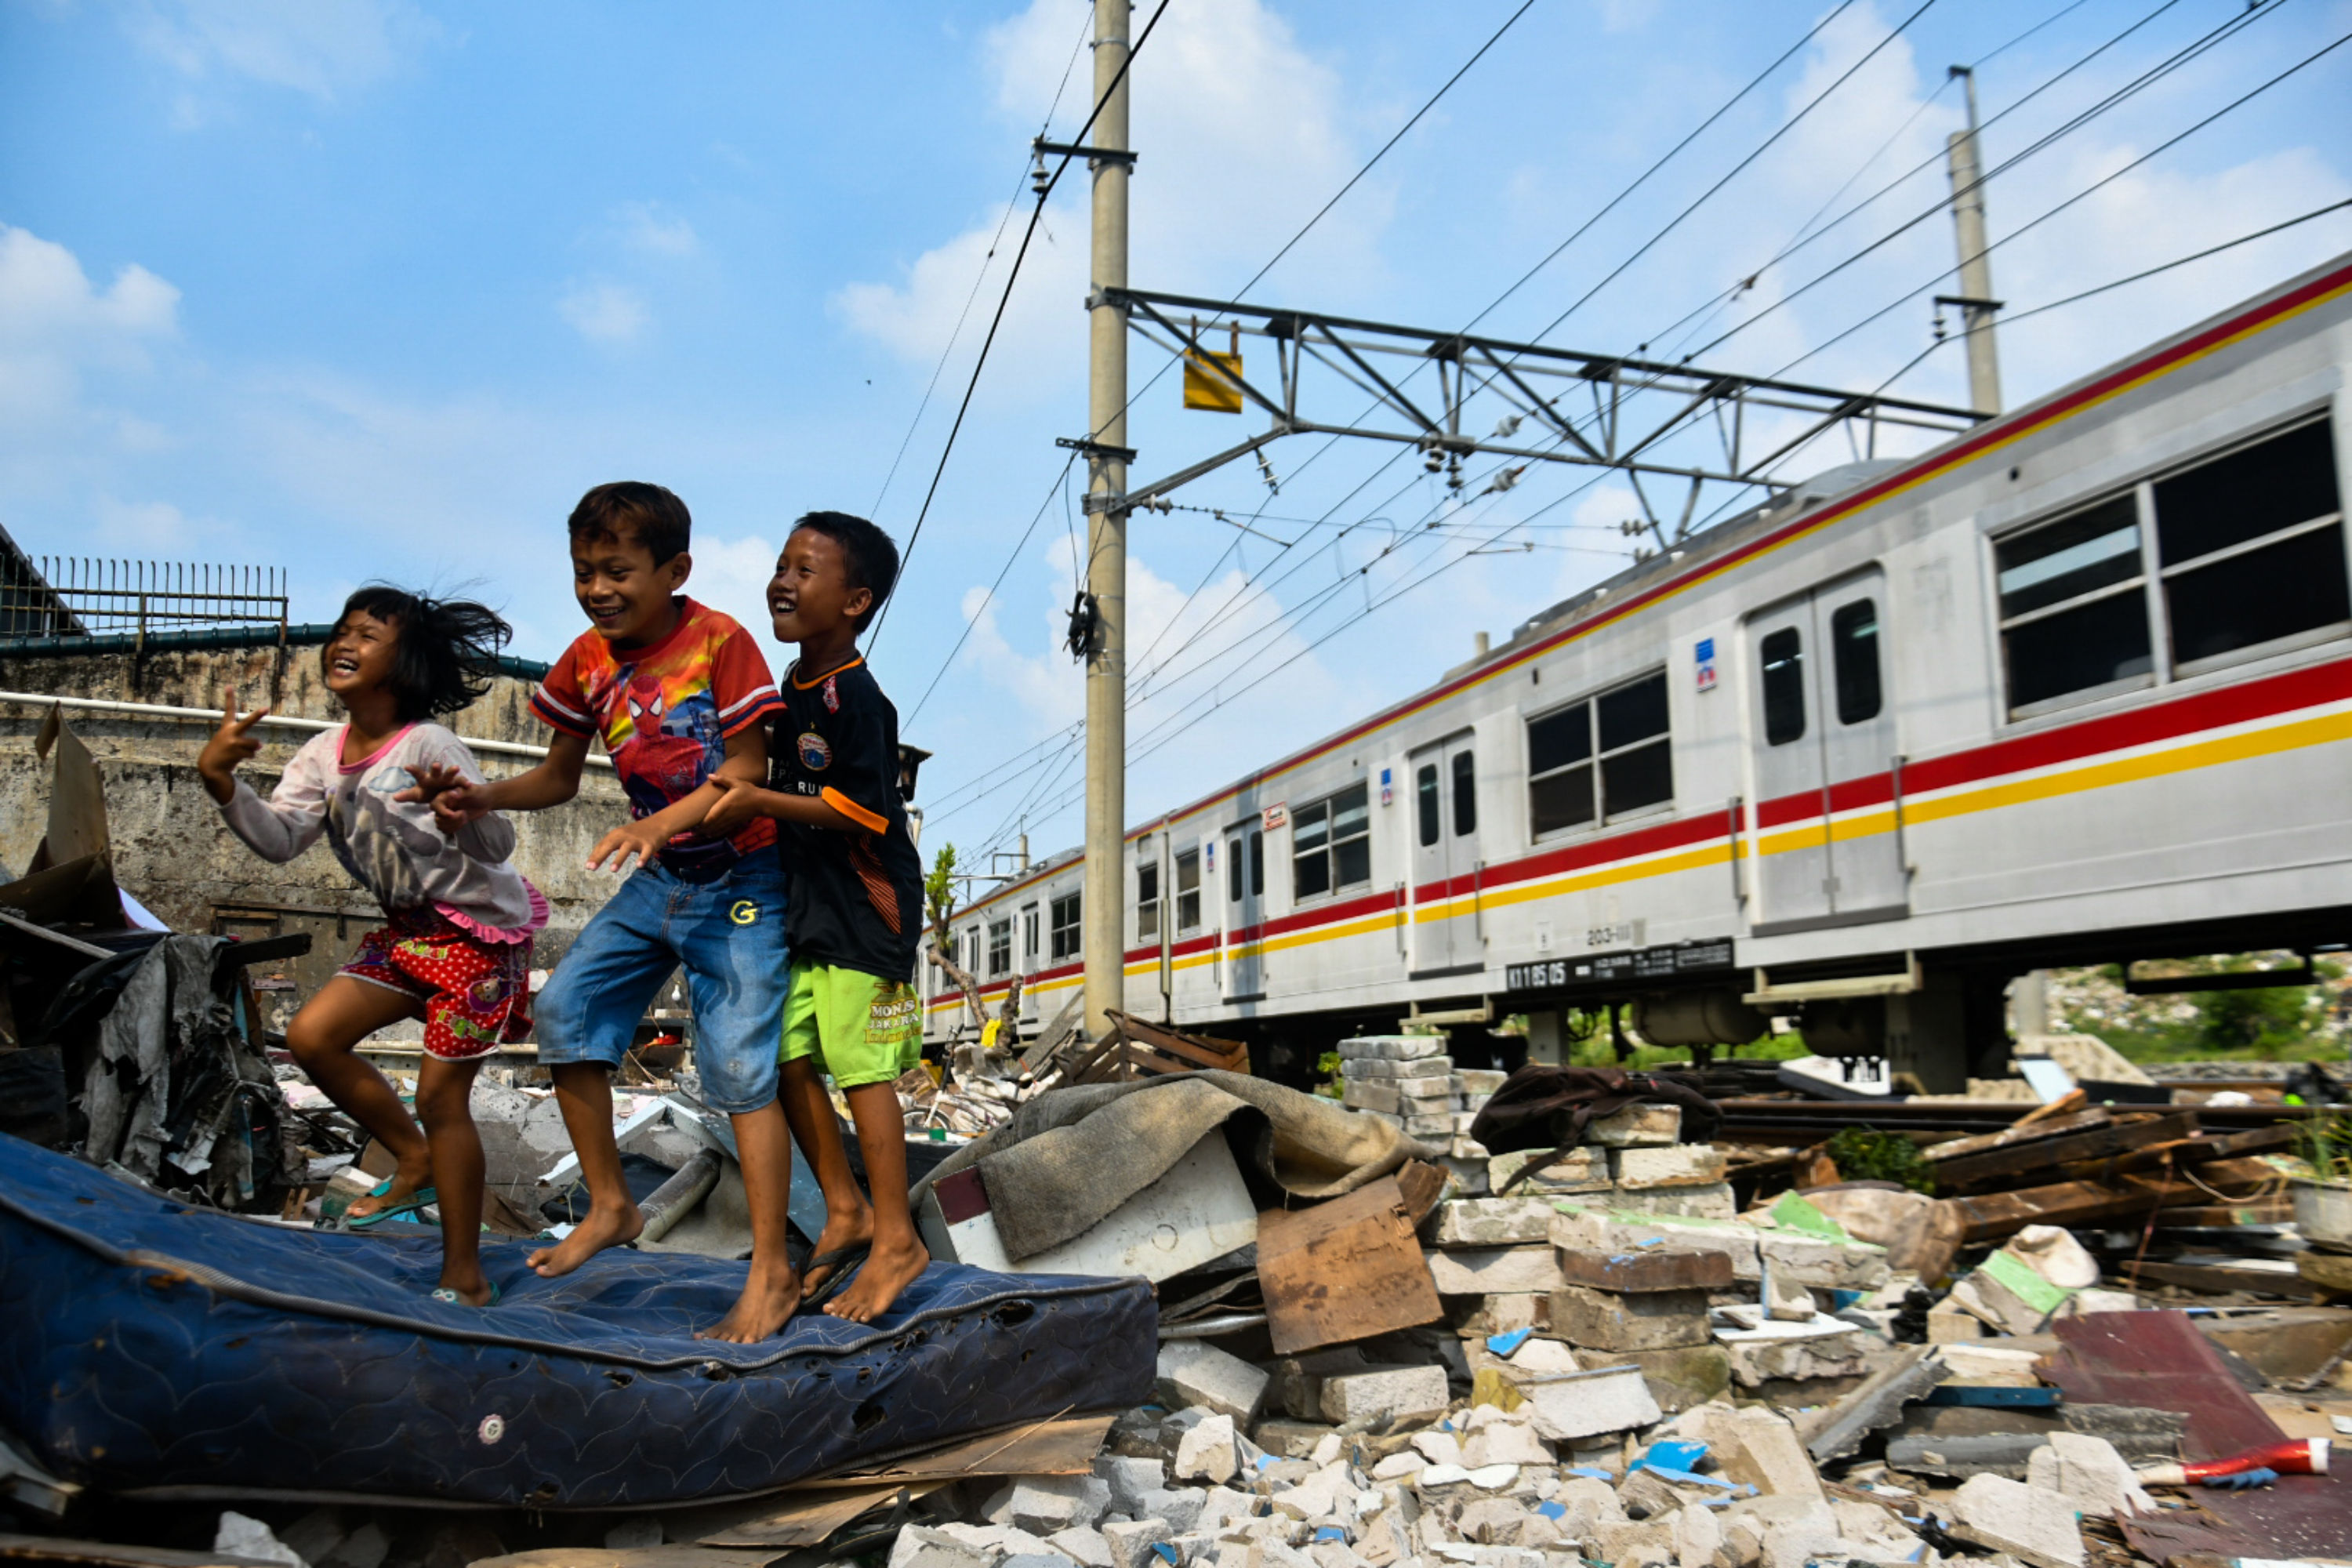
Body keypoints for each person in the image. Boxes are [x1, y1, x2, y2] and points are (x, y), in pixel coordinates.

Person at [425, 482, 798, 1338]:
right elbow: (559, 777)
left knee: (739, 1070)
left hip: (744, 881)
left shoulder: (720, 641)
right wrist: (482, 795)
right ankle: (610, 1203)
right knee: (566, 1007)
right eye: (584, 571)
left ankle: (772, 1270)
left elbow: (748, 769)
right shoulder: (586, 660)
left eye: (618, 572)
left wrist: (660, 823)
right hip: (661, 881)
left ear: (675, 571)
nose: (597, 589)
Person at [198, 587, 544, 1307]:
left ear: (406, 661)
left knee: (443, 1099)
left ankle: (465, 1275)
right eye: (343, 631)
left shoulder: (429, 744)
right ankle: (413, 1157)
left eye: (367, 634)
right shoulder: (322, 755)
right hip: (410, 934)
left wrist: (460, 811)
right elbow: (280, 840)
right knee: (312, 1037)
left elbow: (497, 845)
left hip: (476, 939)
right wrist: (222, 782)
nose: (344, 643)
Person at [700, 511, 929, 1325]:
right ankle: (844, 1209)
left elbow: (865, 812)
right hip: (807, 909)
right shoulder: (788, 689)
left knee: (862, 1066)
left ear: (856, 601)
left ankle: (897, 1238)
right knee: (787, 1055)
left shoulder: (859, 698)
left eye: (804, 570)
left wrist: (760, 799)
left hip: (870, 909)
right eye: (781, 565)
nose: (782, 582)